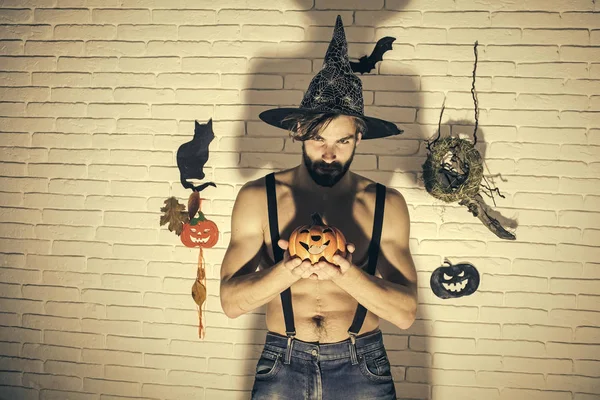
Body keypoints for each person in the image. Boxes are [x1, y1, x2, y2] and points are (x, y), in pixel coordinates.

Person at [220, 15, 418, 400]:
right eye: (318, 140)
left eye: (343, 142)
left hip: (363, 364)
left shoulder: (385, 204)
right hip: (283, 361)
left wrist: (344, 272)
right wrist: (289, 268)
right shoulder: (257, 198)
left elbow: (404, 313)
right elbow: (231, 303)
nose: (329, 154)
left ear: (359, 137)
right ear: (298, 131)